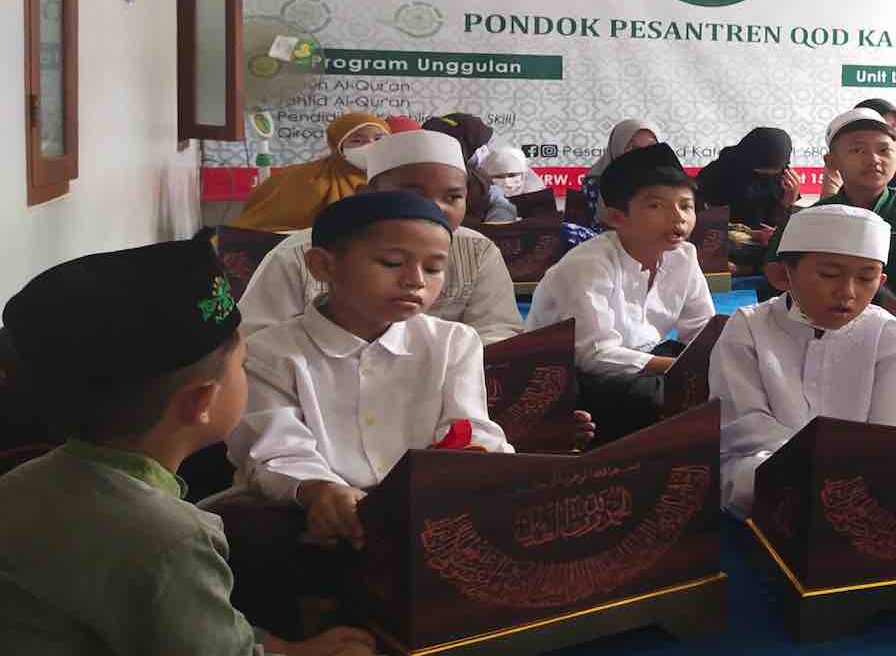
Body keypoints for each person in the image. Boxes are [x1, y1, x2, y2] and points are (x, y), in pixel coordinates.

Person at [0, 241, 377, 655]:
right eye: (243, 365)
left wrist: (281, 649)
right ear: (201, 401)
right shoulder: (169, 540)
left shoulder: (21, 483)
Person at [221, 193, 513, 633]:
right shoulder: (272, 352)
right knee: (254, 539)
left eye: (434, 268)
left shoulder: (454, 342)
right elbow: (275, 449)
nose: (415, 281)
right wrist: (319, 491)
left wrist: (471, 462)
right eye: (392, 263)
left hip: (421, 508)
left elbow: (468, 429)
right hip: (309, 512)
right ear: (322, 266)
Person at [710, 205, 896, 517]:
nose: (847, 292)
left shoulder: (887, 334)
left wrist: (851, 474)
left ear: (881, 280)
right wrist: (819, 469)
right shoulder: (748, 328)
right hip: (770, 464)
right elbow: (745, 429)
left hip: (863, 475)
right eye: (829, 275)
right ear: (785, 273)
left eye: (866, 278)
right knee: (749, 479)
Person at [236, 131, 523, 345]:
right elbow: (256, 341)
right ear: (366, 194)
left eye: (452, 197)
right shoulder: (297, 254)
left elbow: (498, 331)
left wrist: (449, 368)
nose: (434, 207)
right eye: (413, 195)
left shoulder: (478, 250)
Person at [529, 142, 716, 442]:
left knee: (720, 374)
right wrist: (682, 369)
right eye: (656, 206)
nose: (678, 217)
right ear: (617, 218)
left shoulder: (684, 256)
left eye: (686, 205)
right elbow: (594, 355)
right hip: (572, 373)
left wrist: (712, 362)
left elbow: (702, 329)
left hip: (646, 358)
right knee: (650, 397)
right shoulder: (587, 264)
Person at [766, 109, 896, 306]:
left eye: (884, 150)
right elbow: (777, 271)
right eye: (857, 150)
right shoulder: (814, 217)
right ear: (832, 161)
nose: (873, 159)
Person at [228, 113, 389, 232]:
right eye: (357, 140)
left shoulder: (395, 177)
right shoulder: (309, 179)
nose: (370, 145)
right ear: (337, 145)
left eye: (379, 139)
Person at [696, 127, 802, 246]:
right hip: (728, 248)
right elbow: (706, 226)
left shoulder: (784, 178)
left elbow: (779, 226)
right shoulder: (715, 175)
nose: (769, 174)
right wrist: (752, 235)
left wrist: (788, 202)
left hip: (769, 248)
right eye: (761, 168)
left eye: (775, 170)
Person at [421, 113, 516, 226]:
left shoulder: (481, 179)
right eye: (481, 146)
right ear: (461, 148)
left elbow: (502, 207)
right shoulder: (478, 182)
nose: (486, 151)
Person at [820, 99, 896, 196]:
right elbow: (828, 201)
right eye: (858, 150)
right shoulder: (840, 158)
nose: (874, 160)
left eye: (894, 126)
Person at [577, 118, 661, 230]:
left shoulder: (669, 183)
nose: (643, 154)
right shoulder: (595, 182)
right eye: (633, 148)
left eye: (651, 147)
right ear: (617, 147)